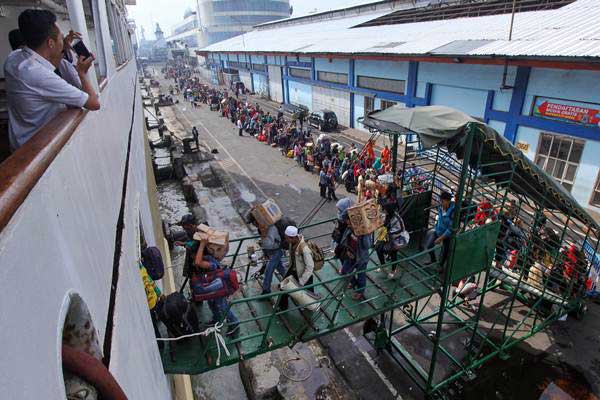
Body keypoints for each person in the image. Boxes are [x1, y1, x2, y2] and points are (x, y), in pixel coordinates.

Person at [5, 9, 100, 150]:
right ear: (50, 43)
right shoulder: (38, 75)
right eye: (61, 38)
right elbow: (94, 103)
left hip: (19, 142)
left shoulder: (13, 58)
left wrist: (60, 47)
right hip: (38, 150)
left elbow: (48, 63)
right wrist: (82, 73)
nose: (63, 41)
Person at [194, 237, 239, 335]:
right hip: (213, 285)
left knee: (222, 306)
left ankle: (235, 323)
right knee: (212, 303)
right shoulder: (210, 257)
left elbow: (198, 262)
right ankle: (217, 319)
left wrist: (202, 244)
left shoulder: (211, 263)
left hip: (219, 287)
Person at [334, 198, 373, 300]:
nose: (347, 223)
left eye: (348, 221)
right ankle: (354, 283)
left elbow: (367, 245)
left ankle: (360, 292)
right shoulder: (349, 229)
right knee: (345, 271)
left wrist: (364, 234)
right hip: (350, 254)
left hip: (360, 258)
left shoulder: (363, 232)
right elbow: (344, 240)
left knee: (361, 275)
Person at [279, 226, 315, 309]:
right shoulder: (293, 243)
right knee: (283, 287)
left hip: (304, 274)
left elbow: (310, 267)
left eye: (287, 238)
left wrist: (301, 282)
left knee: (308, 294)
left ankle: (311, 307)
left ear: (292, 238)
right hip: (294, 269)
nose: (286, 240)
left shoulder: (304, 249)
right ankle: (283, 307)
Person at [422, 191, 455, 265]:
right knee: (429, 246)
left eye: (443, 201)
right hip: (438, 231)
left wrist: (441, 238)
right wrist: (436, 228)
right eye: (441, 201)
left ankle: (441, 265)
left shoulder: (453, 211)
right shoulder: (441, 207)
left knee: (445, 251)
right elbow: (439, 219)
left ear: (448, 201)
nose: (441, 203)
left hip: (447, 235)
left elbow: (450, 229)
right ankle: (433, 260)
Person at [256, 219, 287, 295]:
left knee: (268, 271)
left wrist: (263, 238)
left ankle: (266, 290)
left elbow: (269, 244)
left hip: (277, 251)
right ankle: (289, 280)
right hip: (273, 251)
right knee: (280, 267)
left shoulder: (271, 229)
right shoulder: (264, 228)